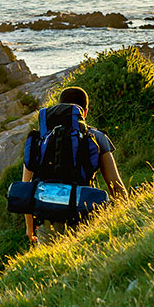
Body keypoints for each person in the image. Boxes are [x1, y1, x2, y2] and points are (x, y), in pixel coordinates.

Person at [22, 86, 127, 244]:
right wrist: (125, 214)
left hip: (48, 222)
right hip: (85, 214)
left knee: (53, 266)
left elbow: (26, 189)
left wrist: (30, 227)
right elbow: (115, 185)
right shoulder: (96, 137)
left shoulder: (40, 140)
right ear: (84, 112)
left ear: (59, 107)